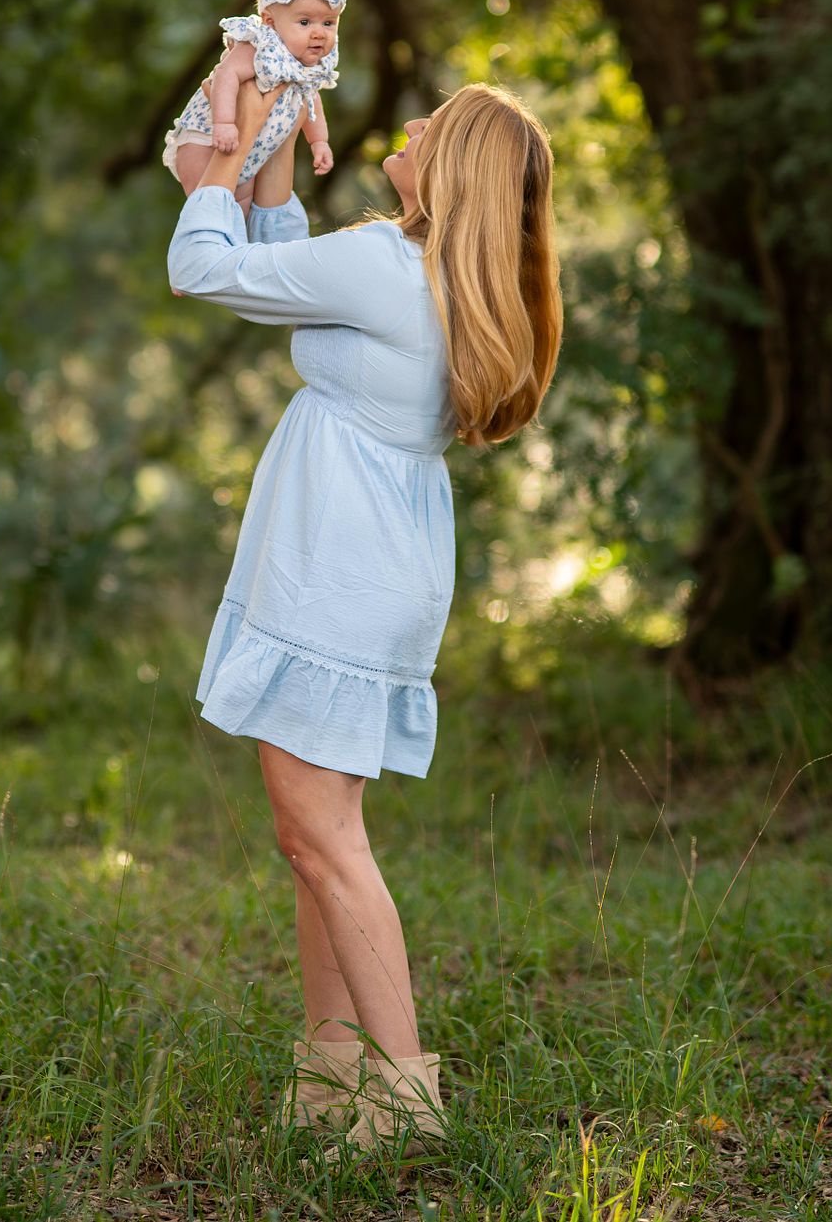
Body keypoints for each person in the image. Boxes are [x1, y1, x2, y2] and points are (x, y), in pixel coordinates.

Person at [167, 72, 564, 1162]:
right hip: (382, 562)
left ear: (457, 166)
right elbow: (295, 272)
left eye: (438, 123)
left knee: (322, 838)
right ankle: (333, 1077)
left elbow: (204, 268)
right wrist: (273, 158)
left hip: (336, 564)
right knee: (316, 836)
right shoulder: (430, 277)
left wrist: (226, 150)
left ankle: (404, 1096)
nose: (415, 124)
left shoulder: (389, 266)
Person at [161, 0, 343, 218]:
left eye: (328, 23)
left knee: (240, 213)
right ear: (270, 21)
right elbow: (226, 75)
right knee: (209, 205)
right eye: (305, 22)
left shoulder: (310, 64)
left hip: (250, 152)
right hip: (206, 139)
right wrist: (224, 123)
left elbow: (310, 99)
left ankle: (236, 240)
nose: (319, 33)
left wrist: (319, 141)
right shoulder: (260, 46)